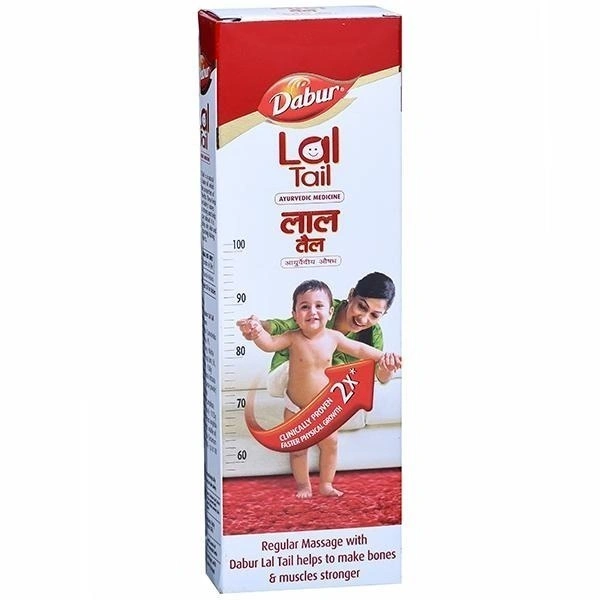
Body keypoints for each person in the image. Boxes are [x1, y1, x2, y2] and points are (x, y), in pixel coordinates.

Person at [236, 280, 399, 499]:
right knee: (298, 449)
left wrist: (385, 358)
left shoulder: (334, 338)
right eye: (305, 307)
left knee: (331, 444)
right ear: (295, 315)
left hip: (325, 408)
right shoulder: (292, 338)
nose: (312, 311)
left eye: (319, 306)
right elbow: (269, 343)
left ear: (330, 312)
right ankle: (303, 485)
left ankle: (326, 484)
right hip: (295, 407)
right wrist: (257, 331)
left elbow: (361, 350)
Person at [238, 272, 402, 394]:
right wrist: (257, 327)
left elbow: (377, 372)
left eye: (374, 315)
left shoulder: (373, 334)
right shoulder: (320, 310)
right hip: (291, 374)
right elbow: (282, 327)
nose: (364, 318)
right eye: (361, 307)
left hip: (327, 387)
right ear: (351, 295)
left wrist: (387, 366)